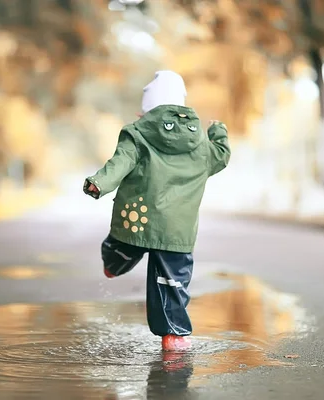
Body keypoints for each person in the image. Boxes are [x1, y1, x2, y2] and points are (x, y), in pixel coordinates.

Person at [83, 70, 231, 351]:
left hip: (137, 220)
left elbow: (121, 162)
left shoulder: (137, 134)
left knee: (120, 247)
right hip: (177, 230)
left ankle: (113, 266)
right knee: (171, 282)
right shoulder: (200, 143)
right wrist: (218, 131)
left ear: (145, 112)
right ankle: (174, 335)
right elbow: (220, 156)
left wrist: (99, 183)